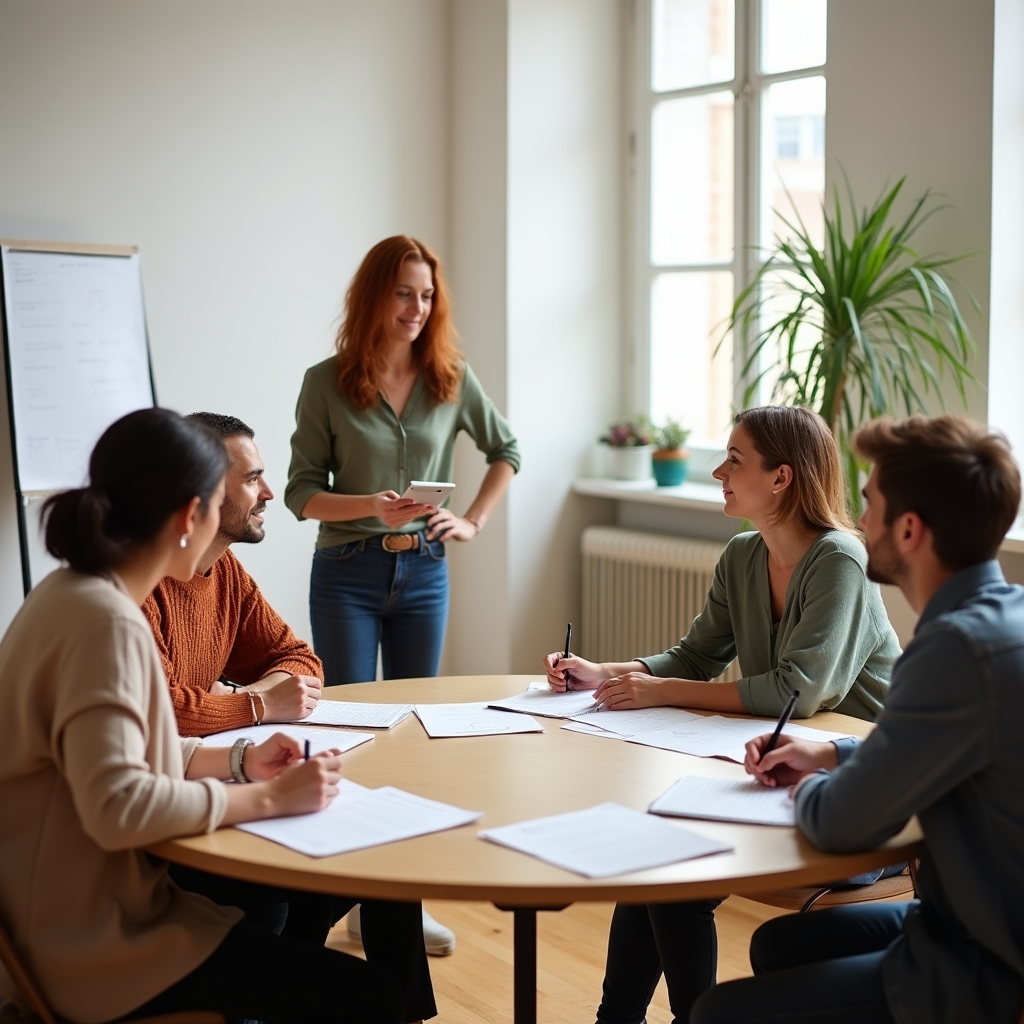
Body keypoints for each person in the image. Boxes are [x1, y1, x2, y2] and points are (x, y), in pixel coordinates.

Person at [0, 408, 435, 1024]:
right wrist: (268, 799)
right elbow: (120, 806)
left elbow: (124, 751)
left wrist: (236, 758)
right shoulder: (107, 623)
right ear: (190, 517)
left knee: (311, 921)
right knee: (372, 996)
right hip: (92, 946)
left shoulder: (72, 594)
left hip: (60, 919)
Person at [543, 405, 902, 1024]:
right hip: (781, 778)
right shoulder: (741, 556)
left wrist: (662, 692)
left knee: (669, 866)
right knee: (656, 857)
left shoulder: (841, 559)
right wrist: (609, 673)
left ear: (782, 478)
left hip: (868, 797)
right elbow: (696, 656)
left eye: (734, 460)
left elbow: (800, 690)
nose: (717, 471)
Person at [693, 414, 1024, 1024]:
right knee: (777, 944)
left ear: (908, 529)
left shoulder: (953, 650)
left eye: (869, 503)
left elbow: (842, 823)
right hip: (967, 910)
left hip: (987, 954)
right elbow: (942, 751)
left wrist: (811, 786)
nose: (858, 521)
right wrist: (835, 755)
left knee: (717, 1013)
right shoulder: (1001, 619)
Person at [285, 234, 520, 688]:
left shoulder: (451, 378)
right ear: (374, 295)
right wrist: (372, 505)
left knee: (415, 712)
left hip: (426, 568)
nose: (417, 308)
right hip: (346, 570)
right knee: (348, 713)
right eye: (403, 293)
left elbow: (506, 451)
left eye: (427, 296)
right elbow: (301, 494)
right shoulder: (324, 383)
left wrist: (472, 521)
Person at [143, 412, 323, 738]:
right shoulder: (141, 583)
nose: (268, 493)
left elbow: (299, 660)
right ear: (204, 490)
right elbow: (160, 710)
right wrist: (261, 705)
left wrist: (239, 698)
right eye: (252, 480)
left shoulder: (226, 569)